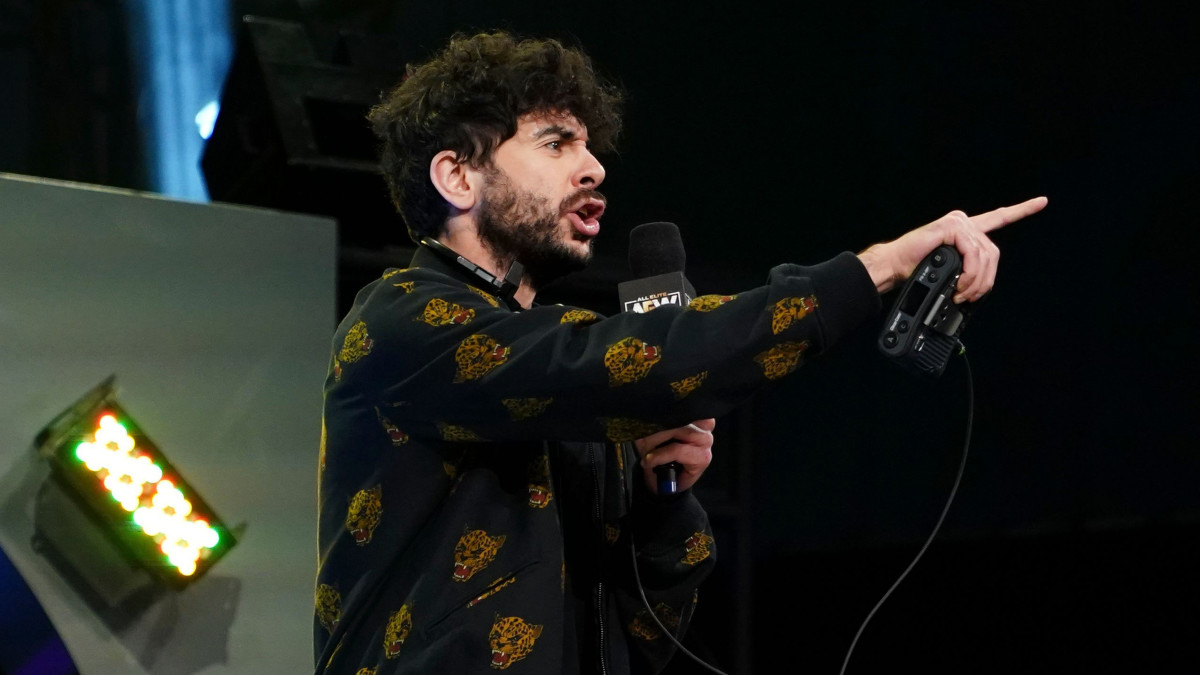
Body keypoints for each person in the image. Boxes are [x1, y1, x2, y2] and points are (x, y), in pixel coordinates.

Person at [314, 30, 1046, 675]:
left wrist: (664, 498)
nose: (595, 166)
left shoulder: (566, 367)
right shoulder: (400, 322)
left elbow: (649, 637)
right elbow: (638, 358)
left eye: (591, 145)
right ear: (457, 176)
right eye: (556, 142)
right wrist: (876, 267)